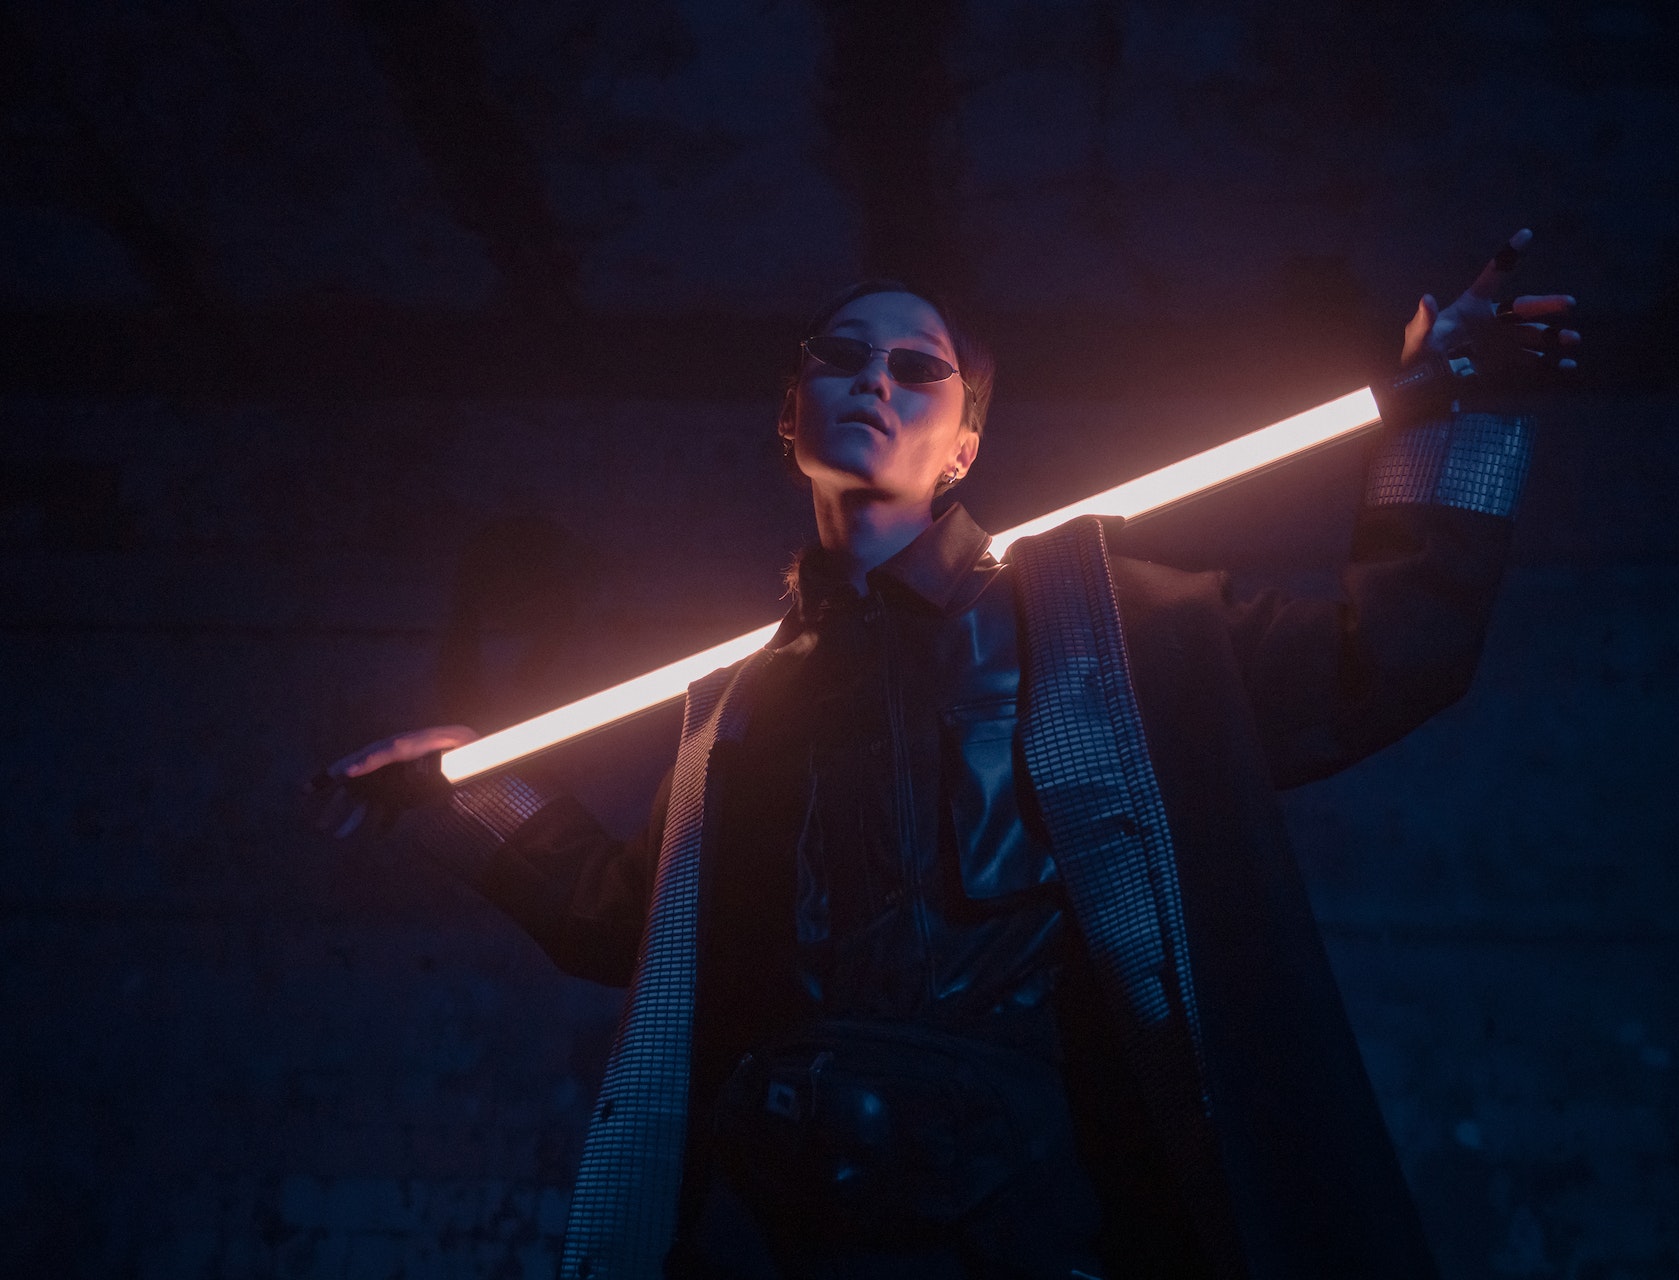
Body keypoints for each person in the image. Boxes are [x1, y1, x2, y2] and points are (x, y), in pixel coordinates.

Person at [322, 232, 1578, 1279]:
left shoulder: (1098, 627)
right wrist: (468, 791)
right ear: (790, 411)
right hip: (777, 1218)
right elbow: (624, 920)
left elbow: (1383, 660)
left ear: (965, 444)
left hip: (1022, 1214)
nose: (875, 379)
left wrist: (1454, 418)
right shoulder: (739, 704)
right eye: (842, 356)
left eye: (916, 367)